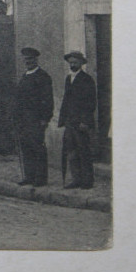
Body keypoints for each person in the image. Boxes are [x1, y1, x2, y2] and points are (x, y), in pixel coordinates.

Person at [12, 47, 54, 187]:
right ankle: (29, 176)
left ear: (36, 60)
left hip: (36, 119)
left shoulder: (43, 76)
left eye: (30, 59)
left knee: (37, 147)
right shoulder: (25, 76)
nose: (28, 62)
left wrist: (45, 118)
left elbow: (47, 99)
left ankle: (40, 178)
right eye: (26, 60)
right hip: (23, 120)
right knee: (26, 147)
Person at [58, 51, 97, 189]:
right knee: (72, 151)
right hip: (70, 122)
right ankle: (76, 179)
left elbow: (90, 103)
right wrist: (62, 119)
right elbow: (66, 100)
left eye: (75, 62)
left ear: (81, 63)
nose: (72, 65)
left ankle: (87, 181)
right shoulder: (69, 79)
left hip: (81, 123)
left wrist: (85, 122)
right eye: (70, 63)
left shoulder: (87, 80)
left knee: (83, 151)